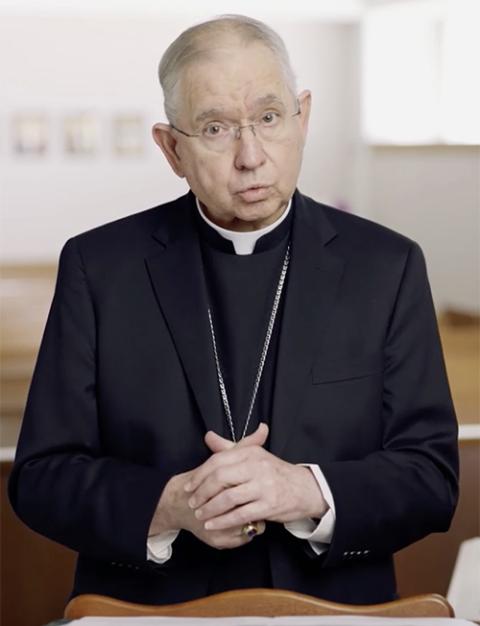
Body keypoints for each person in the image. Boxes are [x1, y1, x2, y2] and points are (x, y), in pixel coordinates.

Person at [9, 15, 458, 607]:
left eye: (270, 118)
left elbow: (432, 477)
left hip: (336, 612)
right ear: (171, 148)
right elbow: (41, 477)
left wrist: (306, 491)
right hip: (148, 611)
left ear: (304, 118)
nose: (251, 156)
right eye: (216, 127)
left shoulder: (387, 265)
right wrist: (167, 505)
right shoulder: (100, 268)